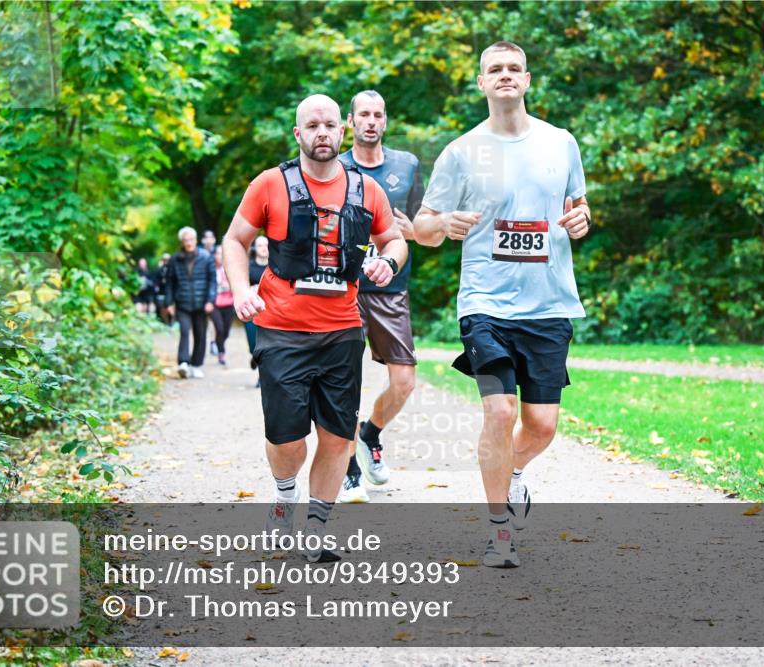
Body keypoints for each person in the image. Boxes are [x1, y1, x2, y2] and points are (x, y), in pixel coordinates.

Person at [413, 41, 591, 568]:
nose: (506, 75)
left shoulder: (561, 143)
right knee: (500, 410)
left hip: (548, 304)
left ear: (528, 79)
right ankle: (499, 535)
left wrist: (582, 220)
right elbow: (422, 226)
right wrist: (443, 226)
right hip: (485, 303)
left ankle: (511, 474)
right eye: (496, 69)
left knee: (540, 425)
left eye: (514, 68)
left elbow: (577, 207)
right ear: (481, 82)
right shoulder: (462, 151)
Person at [222, 94, 407, 563]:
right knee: (287, 439)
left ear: (341, 132)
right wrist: (242, 289)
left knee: (337, 436)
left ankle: (317, 528)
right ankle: (286, 497)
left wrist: (387, 261)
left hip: (342, 329)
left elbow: (395, 240)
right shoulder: (270, 184)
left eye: (329, 125)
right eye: (312, 125)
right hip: (281, 328)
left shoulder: (367, 190)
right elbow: (235, 239)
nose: (322, 133)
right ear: (298, 133)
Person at [336, 90, 424, 504]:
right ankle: (349, 468)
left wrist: (412, 233)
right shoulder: (334, 166)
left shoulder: (406, 165)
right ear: (350, 122)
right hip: (344, 287)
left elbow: (423, 226)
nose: (371, 121)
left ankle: (370, 433)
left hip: (391, 286)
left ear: (385, 122)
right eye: (363, 115)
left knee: (403, 381)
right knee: (344, 381)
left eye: (378, 115)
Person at [165, 227, 217, 379]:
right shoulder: (175, 259)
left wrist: (210, 300)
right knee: (184, 331)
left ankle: (196, 365)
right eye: (185, 240)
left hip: (202, 304)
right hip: (182, 303)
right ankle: (183, 363)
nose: (188, 243)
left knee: (200, 335)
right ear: (182, 242)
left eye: (191, 239)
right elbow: (169, 282)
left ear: (195, 240)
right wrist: (169, 303)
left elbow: (212, 281)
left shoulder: (206, 257)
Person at [245, 235, 270, 376]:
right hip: (253, 309)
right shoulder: (248, 266)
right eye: (260, 245)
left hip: (271, 309)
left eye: (266, 245)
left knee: (267, 345)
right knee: (253, 343)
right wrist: (250, 290)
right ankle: (254, 356)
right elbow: (241, 287)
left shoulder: (274, 266)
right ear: (255, 248)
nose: (264, 248)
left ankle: (262, 377)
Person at [211, 246, 236, 366]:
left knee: (225, 332)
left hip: (229, 303)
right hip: (214, 303)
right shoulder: (210, 268)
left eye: (223, 253)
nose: (220, 256)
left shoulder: (231, 268)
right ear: (214, 255)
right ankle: (221, 352)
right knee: (219, 328)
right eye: (218, 254)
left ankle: (218, 342)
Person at [153, 253, 173, 326]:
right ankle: (161, 321)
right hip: (161, 291)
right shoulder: (159, 270)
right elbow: (155, 280)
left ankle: (170, 321)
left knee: (169, 306)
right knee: (160, 306)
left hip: (170, 292)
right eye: (164, 259)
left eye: (167, 260)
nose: (166, 261)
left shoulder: (173, 269)